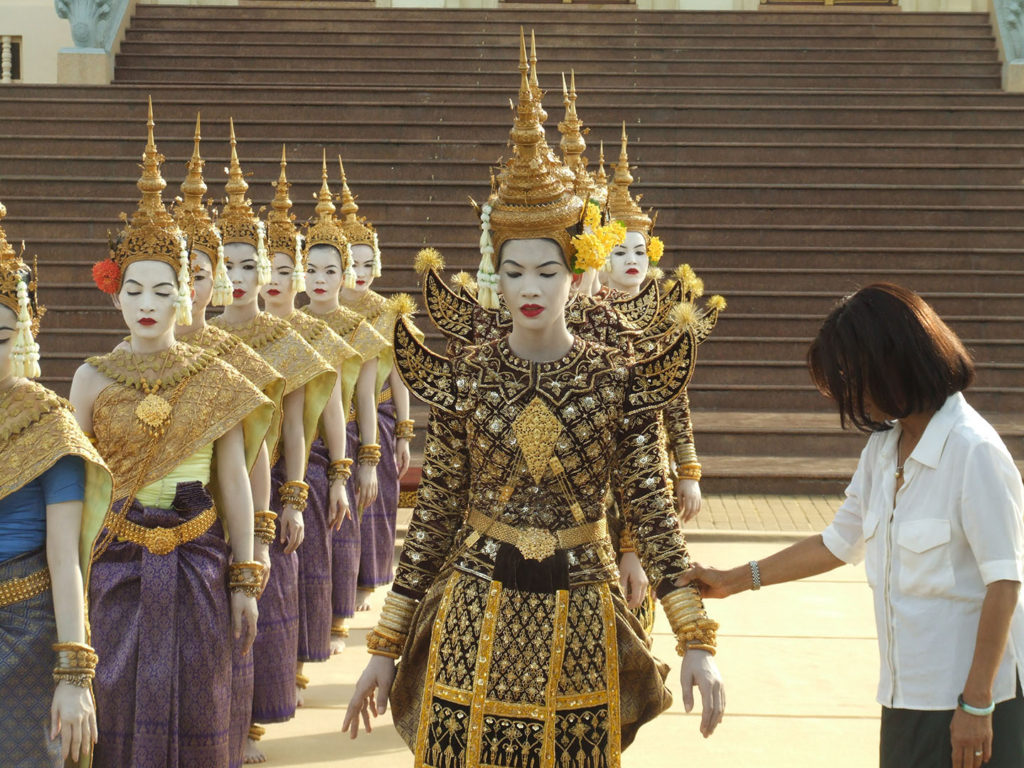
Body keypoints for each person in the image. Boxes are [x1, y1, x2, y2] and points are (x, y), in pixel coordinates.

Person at [343, 32, 724, 764]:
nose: (527, 289)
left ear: (576, 271)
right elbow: (435, 519)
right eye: (512, 271)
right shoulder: (467, 379)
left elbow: (651, 513)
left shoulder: (617, 382)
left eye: (545, 271)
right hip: (473, 607)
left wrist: (696, 640)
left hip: (582, 608)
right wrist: (386, 647)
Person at [681, 283, 1024, 768]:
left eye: (853, 377)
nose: (849, 394)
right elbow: (838, 542)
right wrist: (732, 581)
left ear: (895, 362)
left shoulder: (975, 452)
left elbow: (1005, 583)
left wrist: (978, 701)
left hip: (970, 704)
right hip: (905, 697)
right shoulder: (885, 449)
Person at [73, 100, 273, 768]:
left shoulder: (212, 373)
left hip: (200, 558)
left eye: (165, 289)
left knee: (201, 699)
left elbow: (236, 479)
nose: (151, 303)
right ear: (117, 293)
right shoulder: (91, 378)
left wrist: (245, 574)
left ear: (184, 294)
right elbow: (78, 489)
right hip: (115, 558)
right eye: (137, 290)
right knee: (116, 696)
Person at [207, 121, 336, 763]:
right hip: (193, 502)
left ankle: (251, 723)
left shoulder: (285, 339)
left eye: (248, 264)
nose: (236, 276)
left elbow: (290, 429)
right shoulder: (198, 342)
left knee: (258, 606)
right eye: (223, 265)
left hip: (265, 488)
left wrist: (287, 502)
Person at [171, 114, 286, 768]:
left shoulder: (232, 361)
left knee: (221, 663)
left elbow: (249, 465)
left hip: (213, 529)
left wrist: (257, 546)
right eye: (172, 276)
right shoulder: (115, 369)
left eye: (199, 275)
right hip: (134, 537)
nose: (189, 290)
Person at [0, 202, 111, 766]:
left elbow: (66, 557)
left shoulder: (49, 425)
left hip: (27, 625)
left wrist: (73, 673)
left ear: (22, 335)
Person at [260, 147, 360, 701]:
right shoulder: (223, 339)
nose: (274, 281)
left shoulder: (311, 336)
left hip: (301, 466)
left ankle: (294, 661)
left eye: (280, 270)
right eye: (258, 268)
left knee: (298, 575)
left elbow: (334, 410)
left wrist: (344, 471)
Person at [299, 157, 389, 654]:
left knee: (341, 531)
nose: (318, 278)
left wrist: (368, 460)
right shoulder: (291, 327)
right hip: (296, 442)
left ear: (345, 274)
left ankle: (336, 615)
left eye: (329, 270)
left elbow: (367, 401)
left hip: (349, 435)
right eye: (310, 269)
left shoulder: (361, 328)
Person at [334, 156, 418, 615]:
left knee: (378, 500)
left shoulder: (387, 310)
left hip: (378, 417)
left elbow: (402, 373)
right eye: (352, 264)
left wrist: (404, 428)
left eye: (368, 263)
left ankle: (372, 579)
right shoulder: (320, 311)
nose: (361, 273)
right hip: (329, 418)